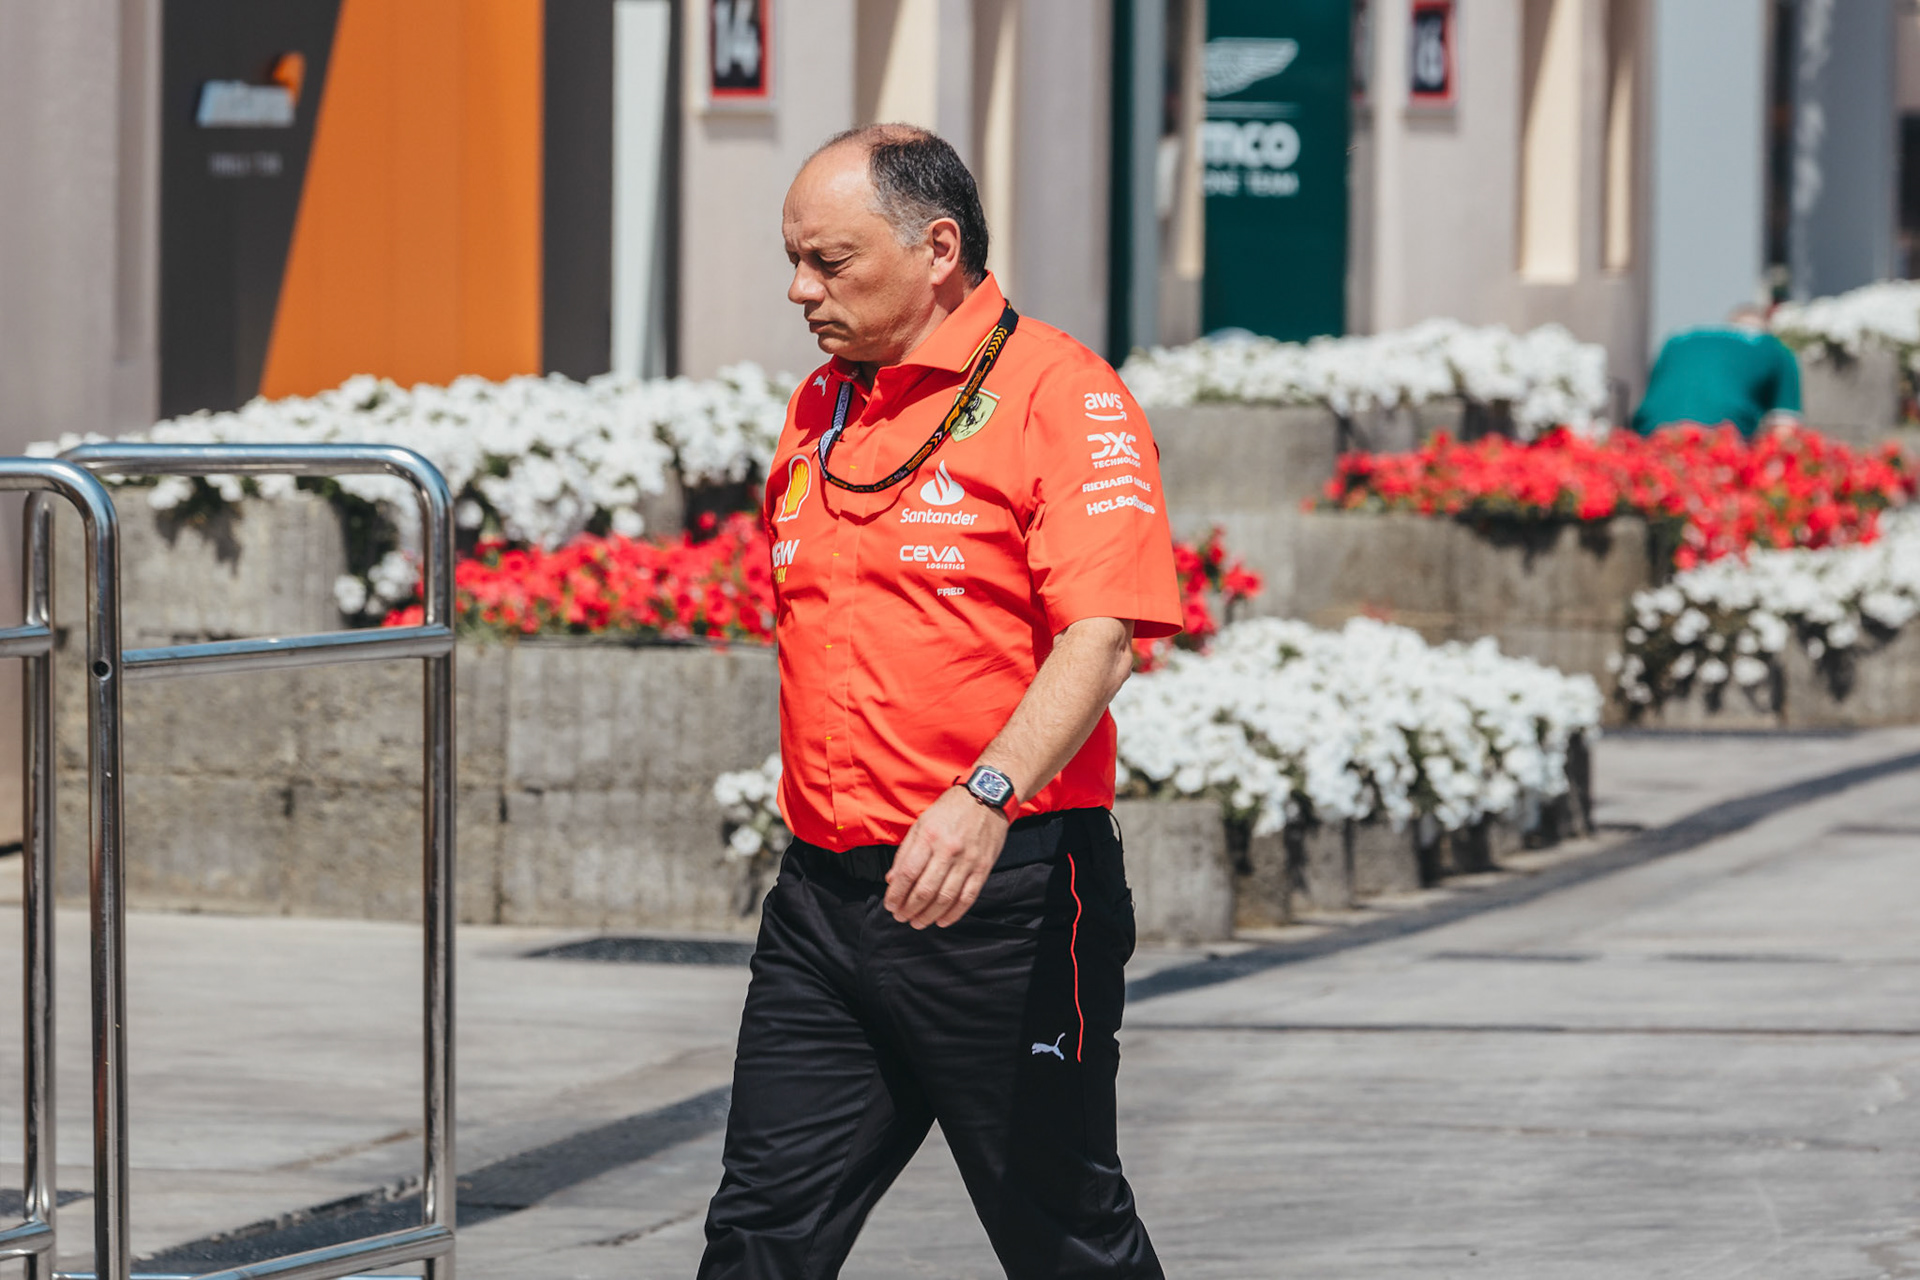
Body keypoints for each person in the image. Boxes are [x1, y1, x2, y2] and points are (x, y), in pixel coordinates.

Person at [696, 124, 1180, 1280]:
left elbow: (1103, 635)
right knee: (760, 1233)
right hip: (826, 903)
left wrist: (985, 795)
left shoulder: (1062, 394)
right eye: (794, 260)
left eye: (831, 261)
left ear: (937, 247)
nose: (799, 289)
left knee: (1062, 1231)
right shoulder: (823, 406)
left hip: (1002, 891)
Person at [1630, 304, 1804, 438]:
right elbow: (1784, 431)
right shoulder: (1774, 348)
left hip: (1652, 431)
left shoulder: (1678, 339)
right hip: (1721, 434)